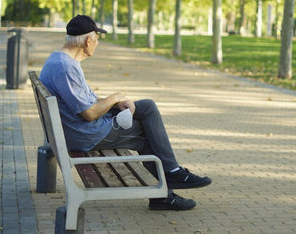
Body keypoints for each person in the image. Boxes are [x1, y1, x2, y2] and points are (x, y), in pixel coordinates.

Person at [39, 15, 212, 211]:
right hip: (85, 134)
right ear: (88, 40)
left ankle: (171, 173)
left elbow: (86, 100)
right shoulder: (65, 68)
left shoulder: (61, 60)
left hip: (73, 129)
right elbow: (88, 113)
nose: (97, 44)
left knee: (147, 107)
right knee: (147, 135)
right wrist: (113, 98)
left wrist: (117, 102)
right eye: (97, 39)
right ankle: (165, 191)